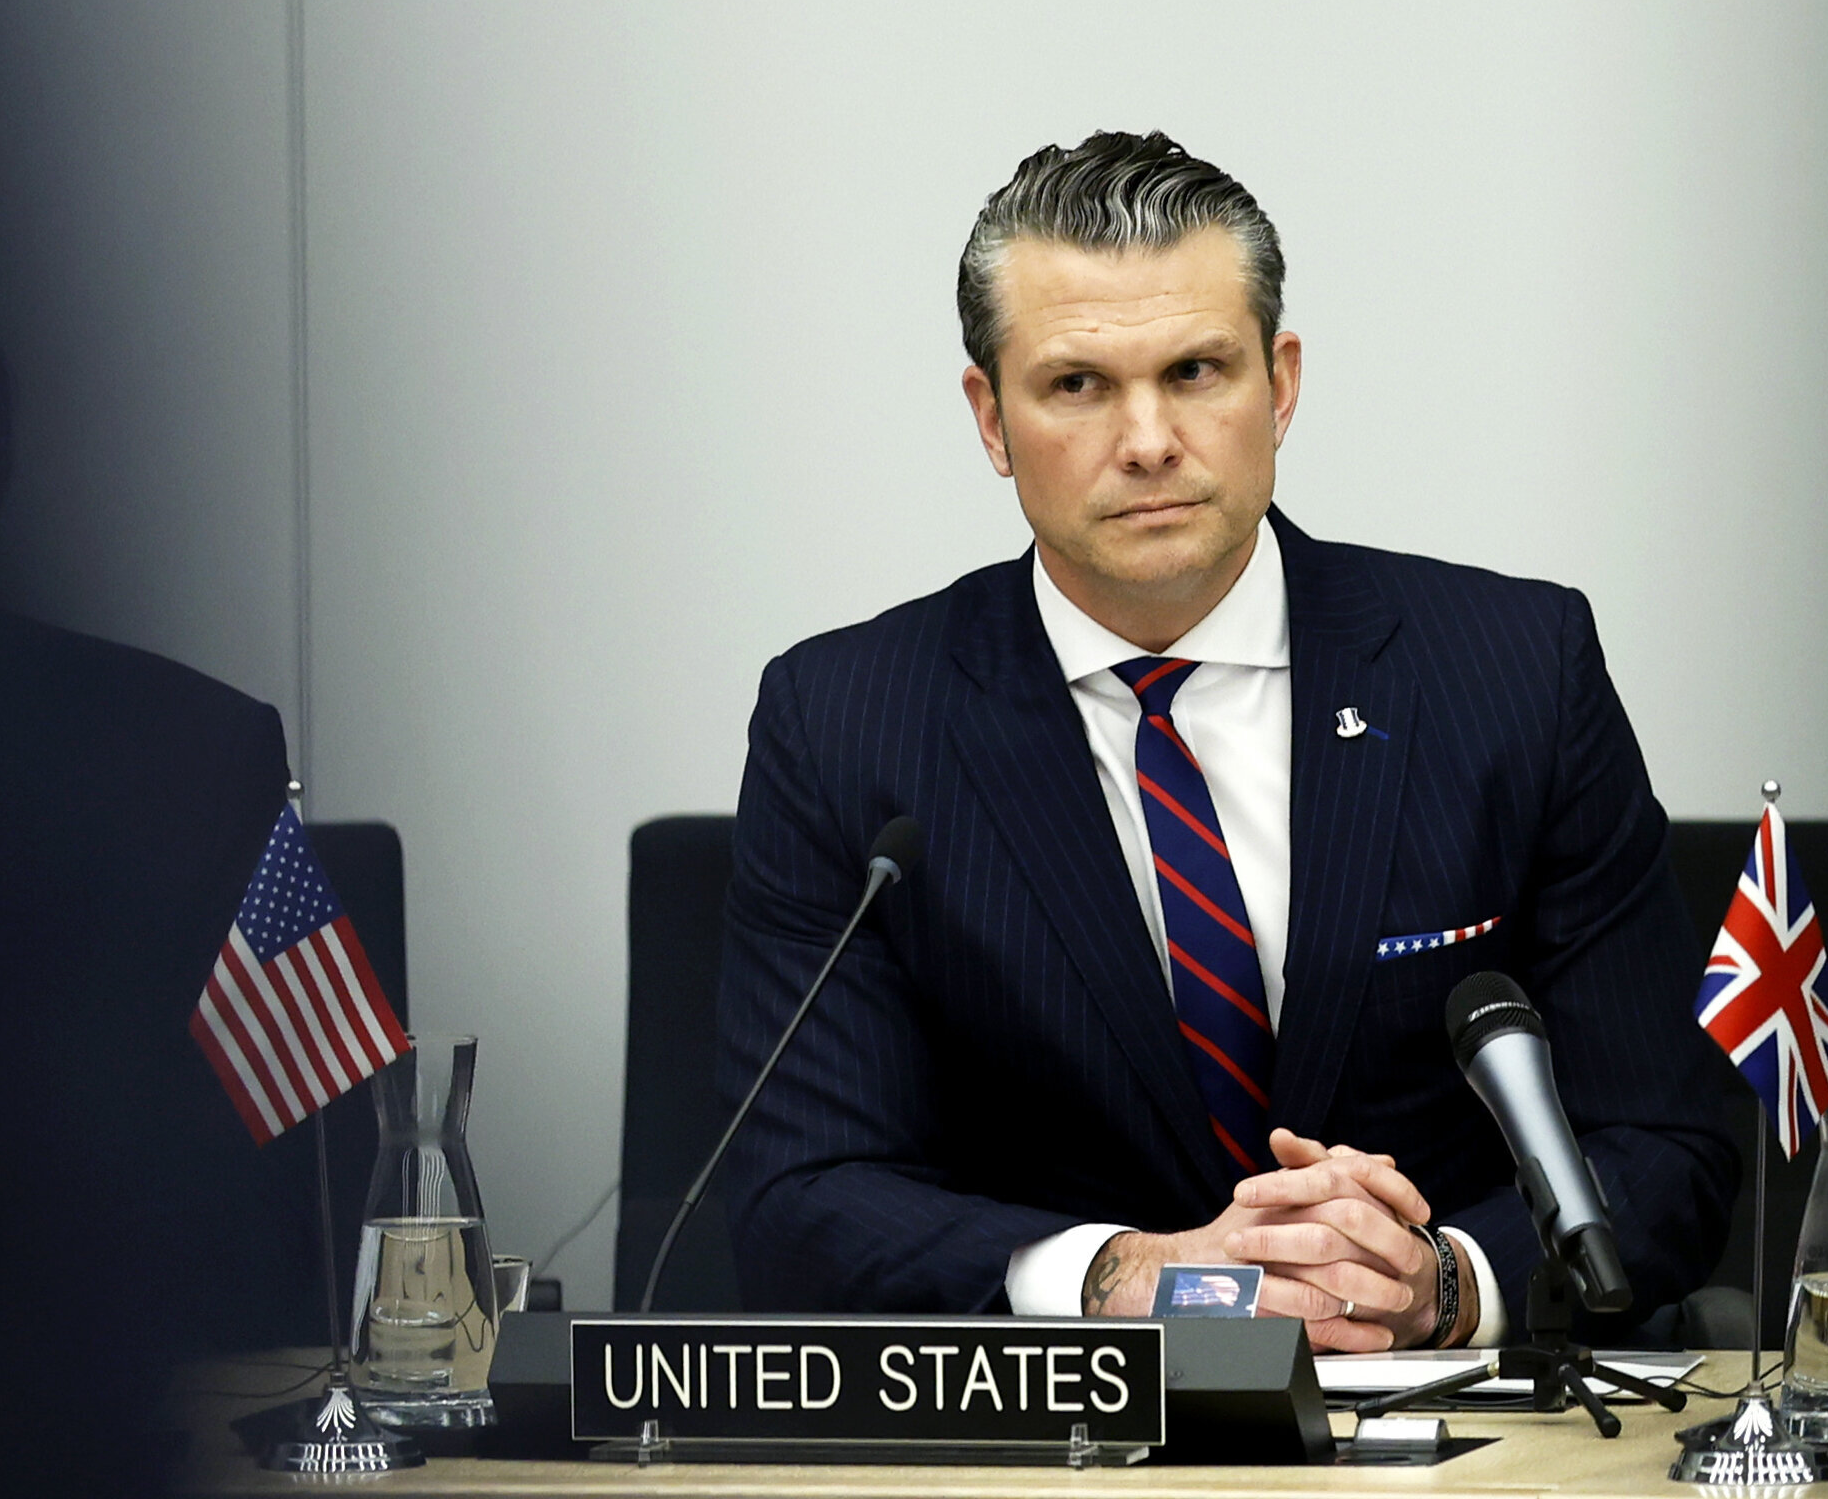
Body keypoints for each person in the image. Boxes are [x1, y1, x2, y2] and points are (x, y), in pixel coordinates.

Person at [716, 132, 1731, 1349]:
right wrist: (1122, 1277)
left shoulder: (1514, 670)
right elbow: (798, 1194)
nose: (1146, 439)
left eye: (1196, 370)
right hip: (1055, 1453)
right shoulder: (844, 721)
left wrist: (1444, 1283)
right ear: (990, 416)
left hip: (1449, 1438)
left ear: (1280, 384)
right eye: (1078, 385)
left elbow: (1667, 1142)